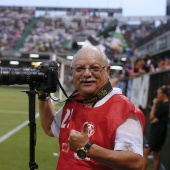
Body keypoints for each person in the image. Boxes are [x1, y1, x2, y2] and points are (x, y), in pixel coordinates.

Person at [38, 45, 146, 170]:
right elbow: (50, 129)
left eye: (95, 68)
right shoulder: (75, 100)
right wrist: (43, 95)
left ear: (107, 70)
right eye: (80, 68)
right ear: (72, 71)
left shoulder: (123, 109)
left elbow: (136, 163)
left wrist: (88, 147)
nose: (87, 74)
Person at [143, 85, 170, 170]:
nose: (157, 96)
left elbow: (151, 117)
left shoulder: (164, 106)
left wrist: (154, 104)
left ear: (163, 95)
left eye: (159, 94)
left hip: (157, 133)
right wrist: (155, 119)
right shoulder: (164, 105)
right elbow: (155, 119)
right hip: (159, 132)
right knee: (156, 154)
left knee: (146, 152)